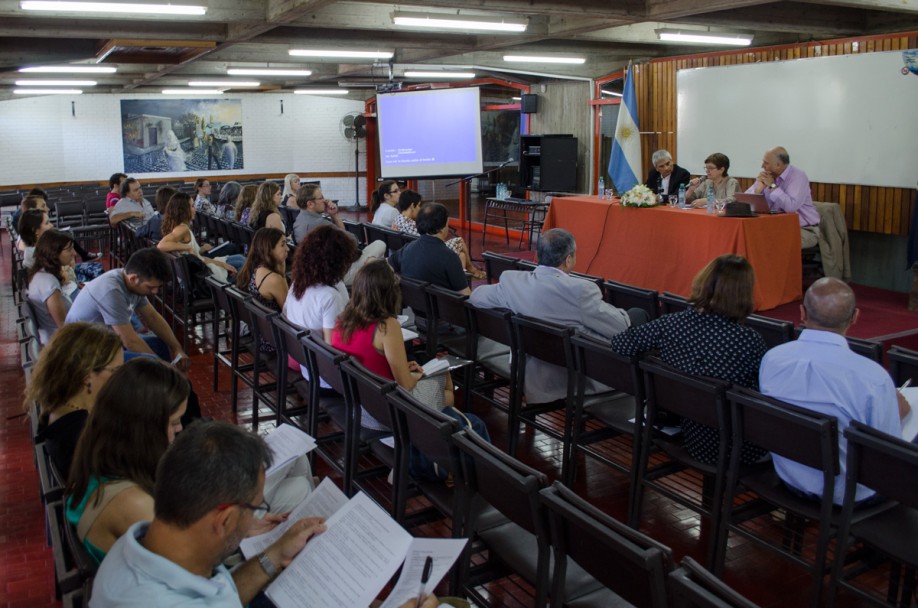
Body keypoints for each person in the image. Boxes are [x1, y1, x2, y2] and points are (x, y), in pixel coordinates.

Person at [90, 421, 437, 608]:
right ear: (223, 520)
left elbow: (220, 594)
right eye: (256, 506)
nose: (259, 515)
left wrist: (274, 554)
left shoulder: (137, 546)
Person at [759, 277, 909, 505]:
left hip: (789, 475)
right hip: (848, 494)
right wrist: (899, 412)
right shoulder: (872, 376)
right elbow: (886, 449)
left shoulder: (773, 358)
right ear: (855, 317)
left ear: (802, 312)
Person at [611, 254, 769, 465]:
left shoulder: (670, 324)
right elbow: (766, 395)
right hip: (738, 448)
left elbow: (620, 344)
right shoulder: (749, 340)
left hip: (692, 436)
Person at [470, 228, 643, 403]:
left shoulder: (512, 282)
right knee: (637, 316)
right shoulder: (580, 290)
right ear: (568, 260)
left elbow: (476, 296)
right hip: (577, 378)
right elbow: (620, 327)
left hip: (534, 376)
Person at [65, 358, 189, 563]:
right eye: (174, 422)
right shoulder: (135, 504)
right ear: (145, 430)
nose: (180, 429)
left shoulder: (97, 459)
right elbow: (191, 574)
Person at [333, 261, 457, 425]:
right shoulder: (387, 325)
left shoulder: (341, 320)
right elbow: (405, 384)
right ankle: (442, 426)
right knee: (444, 379)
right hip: (388, 413)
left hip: (360, 407)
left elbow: (373, 361)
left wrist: (404, 368)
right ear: (390, 293)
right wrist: (417, 374)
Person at [26, 322, 123, 478]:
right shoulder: (82, 437)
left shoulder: (59, 403)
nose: (121, 377)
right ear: (86, 376)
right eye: (116, 370)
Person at [65, 247, 190, 368]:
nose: (155, 292)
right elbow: (129, 341)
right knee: (148, 366)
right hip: (84, 352)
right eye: (151, 287)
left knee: (159, 346)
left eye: (158, 287)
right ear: (133, 278)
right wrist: (163, 367)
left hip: (105, 341)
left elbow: (153, 317)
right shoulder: (112, 291)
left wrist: (177, 348)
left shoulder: (133, 283)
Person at [292, 184, 385, 285]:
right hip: (338, 275)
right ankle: (369, 272)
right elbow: (353, 241)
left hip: (316, 274)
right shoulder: (320, 224)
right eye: (321, 198)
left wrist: (333, 215)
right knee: (380, 245)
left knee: (377, 262)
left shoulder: (299, 220)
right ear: (310, 204)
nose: (325, 200)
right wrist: (335, 217)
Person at [388, 202, 479, 294]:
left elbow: (387, 265)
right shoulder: (449, 256)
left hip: (416, 305)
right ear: (442, 228)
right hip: (444, 307)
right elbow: (466, 295)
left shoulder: (407, 249)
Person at [392, 190, 485, 278]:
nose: (419, 209)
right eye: (419, 206)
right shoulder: (411, 225)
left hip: (416, 255)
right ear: (412, 206)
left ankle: (465, 276)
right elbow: (430, 239)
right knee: (459, 241)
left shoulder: (397, 220)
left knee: (462, 256)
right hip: (430, 252)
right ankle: (472, 271)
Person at [745, 146, 820, 248]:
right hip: (773, 227)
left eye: (766, 163)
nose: (762, 166)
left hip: (803, 229)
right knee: (746, 238)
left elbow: (791, 207)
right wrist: (758, 190)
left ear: (778, 165)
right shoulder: (766, 176)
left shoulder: (798, 176)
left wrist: (772, 186)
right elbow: (744, 203)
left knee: (771, 243)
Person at [156, 191, 242, 281]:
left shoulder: (177, 226)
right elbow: (161, 245)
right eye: (192, 206)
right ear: (183, 210)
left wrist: (219, 262)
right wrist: (187, 247)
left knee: (240, 259)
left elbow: (198, 257)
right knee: (242, 264)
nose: (195, 209)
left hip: (201, 267)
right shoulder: (182, 228)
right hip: (204, 273)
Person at [236, 227, 289, 353]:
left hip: (260, 335)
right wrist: (282, 276)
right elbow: (289, 314)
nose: (287, 248)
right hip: (274, 341)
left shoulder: (253, 269)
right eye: (283, 245)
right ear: (269, 250)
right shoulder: (273, 279)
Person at [27, 229, 77, 343]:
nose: (74, 253)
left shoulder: (41, 274)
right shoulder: (49, 283)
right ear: (53, 253)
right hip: (60, 344)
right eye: (69, 249)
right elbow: (64, 327)